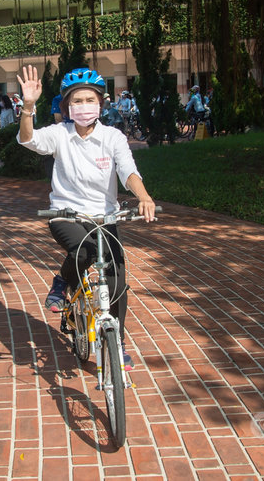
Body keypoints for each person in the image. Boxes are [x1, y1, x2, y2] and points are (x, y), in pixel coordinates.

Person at [16, 65, 156, 369]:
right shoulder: (60, 134)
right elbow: (27, 140)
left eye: (89, 100)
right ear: (67, 106)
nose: (83, 106)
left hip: (104, 219)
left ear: (101, 103)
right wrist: (28, 107)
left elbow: (128, 171)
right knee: (84, 251)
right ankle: (62, 281)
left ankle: (116, 345)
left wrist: (143, 196)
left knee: (118, 282)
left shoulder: (113, 137)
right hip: (65, 214)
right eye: (76, 101)